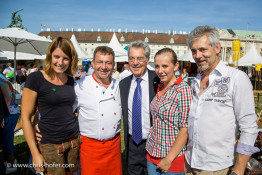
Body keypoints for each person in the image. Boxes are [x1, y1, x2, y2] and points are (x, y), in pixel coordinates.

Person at [185, 25, 259, 175]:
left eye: (203, 49)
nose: (198, 55)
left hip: (217, 166)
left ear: (217, 48)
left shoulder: (236, 78)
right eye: (194, 51)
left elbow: (249, 127)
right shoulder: (195, 81)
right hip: (190, 161)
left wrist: (238, 170)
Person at [21, 37, 80, 175]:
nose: (60, 62)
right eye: (56, 57)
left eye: (65, 58)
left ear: (71, 59)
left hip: (73, 141)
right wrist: (35, 153)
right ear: (50, 56)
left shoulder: (70, 79)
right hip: (50, 144)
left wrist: (37, 118)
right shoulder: (36, 78)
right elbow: (24, 117)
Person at [74, 46, 122, 174]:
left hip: (114, 147)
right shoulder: (80, 86)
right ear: (93, 64)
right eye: (100, 62)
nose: (104, 66)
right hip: (90, 148)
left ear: (113, 65)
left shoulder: (119, 85)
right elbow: (64, 110)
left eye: (108, 63)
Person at [146, 48, 192, 175]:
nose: (160, 71)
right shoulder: (160, 86)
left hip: (172, 158)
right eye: (157, 66)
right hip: (152, 153)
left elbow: (185, 129)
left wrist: (169, 159)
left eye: (165, 66)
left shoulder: (183, 90)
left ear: (175, 66)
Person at [119, 40, 160, 175]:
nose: (135, 63)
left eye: (140, 58)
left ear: (148, 60)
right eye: (132, 58)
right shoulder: (123, 84)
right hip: (132, 145)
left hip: (154, 144)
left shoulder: (159, 80)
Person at [0, 71, 20, 174]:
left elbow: (7, 99)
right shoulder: (2, 77)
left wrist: (3, 115)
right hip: (8, 112)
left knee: (7, 140)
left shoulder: (0, 80)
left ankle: (11, 164)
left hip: (9, 113)